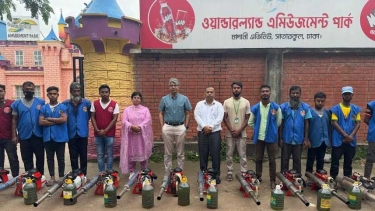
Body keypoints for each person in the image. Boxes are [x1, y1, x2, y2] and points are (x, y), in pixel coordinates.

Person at [248, 85, 282, 189]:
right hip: (259, 137)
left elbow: (279, 121)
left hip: (270, 137)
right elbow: (250, 121)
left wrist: (272, 129)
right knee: (258, 158)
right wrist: (257, 127)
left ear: (270, 93)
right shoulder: (255, 108)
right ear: (260, 93)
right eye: (263, 91)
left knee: (272, 159)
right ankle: (258, 177)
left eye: (267, 91)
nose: (265, 93)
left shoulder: (276, 107)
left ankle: (272, 180)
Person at [158, 78, 192, 174]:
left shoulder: (184, 99)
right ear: (169, 87)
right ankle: (168, 172)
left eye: (175, 85)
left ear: (178, 86)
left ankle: (179, 171)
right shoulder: (164, 99)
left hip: (180, 127)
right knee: (167, 152)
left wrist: (186, 126)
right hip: (167, 127)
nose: (173, 87)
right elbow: (160, 113)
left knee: (180, 152)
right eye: (171, 85)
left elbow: (188, 112)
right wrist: (162, 126)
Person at [11, 81, 45, 175]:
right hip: (24, 135)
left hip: (38, 135)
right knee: (26, 158)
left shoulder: (41, 102)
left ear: (34, 90)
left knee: (40, 157)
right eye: (27, 89)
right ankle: (29, 176)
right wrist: (14, 135)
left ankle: (40, 176)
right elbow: (14, 120)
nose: (29, 91)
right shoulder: (16, 103)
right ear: (23, 90)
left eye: (31, 89)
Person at [330, 86, 361, 179]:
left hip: (351, 140)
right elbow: (334, 122)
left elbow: (358, 123)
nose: (347, 96)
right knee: (335, 161)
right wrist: (345, 135)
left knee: (348, 161)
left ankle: (347, 180)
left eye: (349, 94)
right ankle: (333, 179)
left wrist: (351, 136)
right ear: (342, 95)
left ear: (352, 95)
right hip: (338, 140)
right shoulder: (335, 109)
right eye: (345, 94)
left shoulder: (356, 109)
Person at [194, 86, 224, 184]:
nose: (209, 93)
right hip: (202, 133)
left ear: (214, 93)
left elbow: (220, 117)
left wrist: (210, 127)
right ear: (204, 93)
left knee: (215, 154)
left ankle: (216, 175)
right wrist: (204, 127)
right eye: (207, 92)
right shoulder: (199, 104)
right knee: (203, 154)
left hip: (214, 133)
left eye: (211, 92)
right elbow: (197, 116)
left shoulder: (219, 105)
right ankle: (203, 174)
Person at [39, 86, 68, 186]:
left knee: (61, 158)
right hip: (48, 137)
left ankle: (61, 177)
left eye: (54, 94)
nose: (52, 95)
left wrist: (49, 119)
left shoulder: (63, 107)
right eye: (50, 94)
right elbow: (41, 122)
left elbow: (64, 120)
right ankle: (52, 177)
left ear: (57, 95)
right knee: (50, 158)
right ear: (47, 95)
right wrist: (57, 121)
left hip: (60, 137)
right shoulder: (44, 108)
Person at [279, 86, 312, 174]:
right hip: (286, 138)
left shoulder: (305, 107)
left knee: (297, 160)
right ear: (289, 94)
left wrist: (306, 138)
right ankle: (284, 177)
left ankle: (297, 178)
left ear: (300, 94)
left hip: (299, 139)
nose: (295, 95)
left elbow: (306, 123)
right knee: (284, 160)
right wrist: (280, 138)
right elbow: (280, 123)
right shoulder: (283, 107)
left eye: (297, 93)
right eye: (293, 93)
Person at [120, 92, 153, 178]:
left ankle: (144, 171)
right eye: (134, 97)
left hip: (142, 135)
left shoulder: (145, 110)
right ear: (132, 99)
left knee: (143, 152)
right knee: (131, 153)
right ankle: (132, 171)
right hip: (131, 135)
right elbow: (124, 121)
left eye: (138, 97)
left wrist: (140, 127)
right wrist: (131, 126)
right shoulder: (127, 110)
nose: (136, 99)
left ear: (141, 99)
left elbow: (148, 120)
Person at [223, 82, 250, 182]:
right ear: (232, 89)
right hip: (230, 133)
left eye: (238, 88)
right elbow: (224, 117)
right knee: (229, 153)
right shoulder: (227, 102)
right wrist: (231, 129)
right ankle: (229, 172)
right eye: (234, 88)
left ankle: (243, 172)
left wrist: (239, 130)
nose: (236, 90)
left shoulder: (246, 102)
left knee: (242, 154)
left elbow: (248, 118)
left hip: (242, 133)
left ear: (241, 89)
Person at [63, 82, 91, 176]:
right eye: (74, 91)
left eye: (78, 91)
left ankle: (84, 174)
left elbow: (89, 116)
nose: (76, 93)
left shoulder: (87, 103)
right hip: (71, 133)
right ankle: (75, 173)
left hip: (82, 133)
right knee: (73, 155)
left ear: (81, 91)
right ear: (70, 91)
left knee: (83, 155)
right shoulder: (65, 104)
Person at [91, 84, 119, 172]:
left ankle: (109, 171)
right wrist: (97, 130)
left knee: (110, 154)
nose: (104, 94)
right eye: (102, 92)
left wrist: (105, 131)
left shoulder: (114, 104)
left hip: (109, 134)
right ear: (99, 93)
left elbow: (115, 119)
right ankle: (101, 172)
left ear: (109, 93)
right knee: (100, 154)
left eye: (106, 92)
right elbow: (92, 117)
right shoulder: (94, 103)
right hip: (98, 134)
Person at [306, 92, 331, 175]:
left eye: (322, 101)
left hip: (323, 141)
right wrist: (307, 139)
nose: (320, 103)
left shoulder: (327, 113)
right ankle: (309, 175)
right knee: (310, 159)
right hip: (313, 140)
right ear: (314, 100)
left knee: (321, 159)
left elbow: (329, 126)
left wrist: (329, 139)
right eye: (318, 101)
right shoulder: (310, 112)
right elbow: (306, 126)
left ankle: (319, 175)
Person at [0, 84, 19, 177]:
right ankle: (1, 178)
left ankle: (15, 178)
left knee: (13, 158)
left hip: (9, 137)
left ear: (4, 92)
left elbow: (15, 120)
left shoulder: (11, 104)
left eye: (1, 91)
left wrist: (14, 135)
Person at [364, 98, 375, 180]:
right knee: (370, 158)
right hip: (373, 135)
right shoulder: (371, 105)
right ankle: (366, 178)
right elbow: (366, 119)